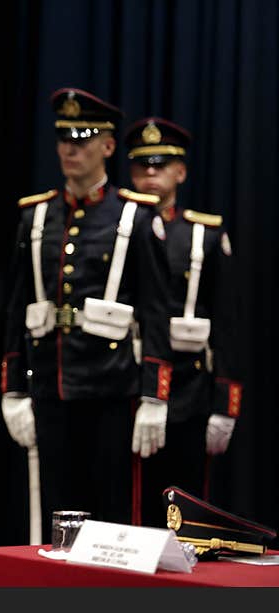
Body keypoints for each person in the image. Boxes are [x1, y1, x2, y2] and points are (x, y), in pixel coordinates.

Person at [0, 88, 174, 538]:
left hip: (112, 389)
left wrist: (155, 394)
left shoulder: (134, 217)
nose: (70, 148)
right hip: (52, 385)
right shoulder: (35, 217)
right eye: (63, 138)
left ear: (108, 146)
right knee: (55, 513)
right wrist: (13, 387)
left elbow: (157, 312)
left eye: (83, 137)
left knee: (113, 515)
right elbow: (16, 308)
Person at [125, 117, 242, 526]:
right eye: (142, 165)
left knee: (182, 502)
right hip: (123, 377)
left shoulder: (203, 235)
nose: (151, 174)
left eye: (161, 164)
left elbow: (226, 322)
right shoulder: (116, 229)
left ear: (182, 172)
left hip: (187, 386)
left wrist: (226, 402)